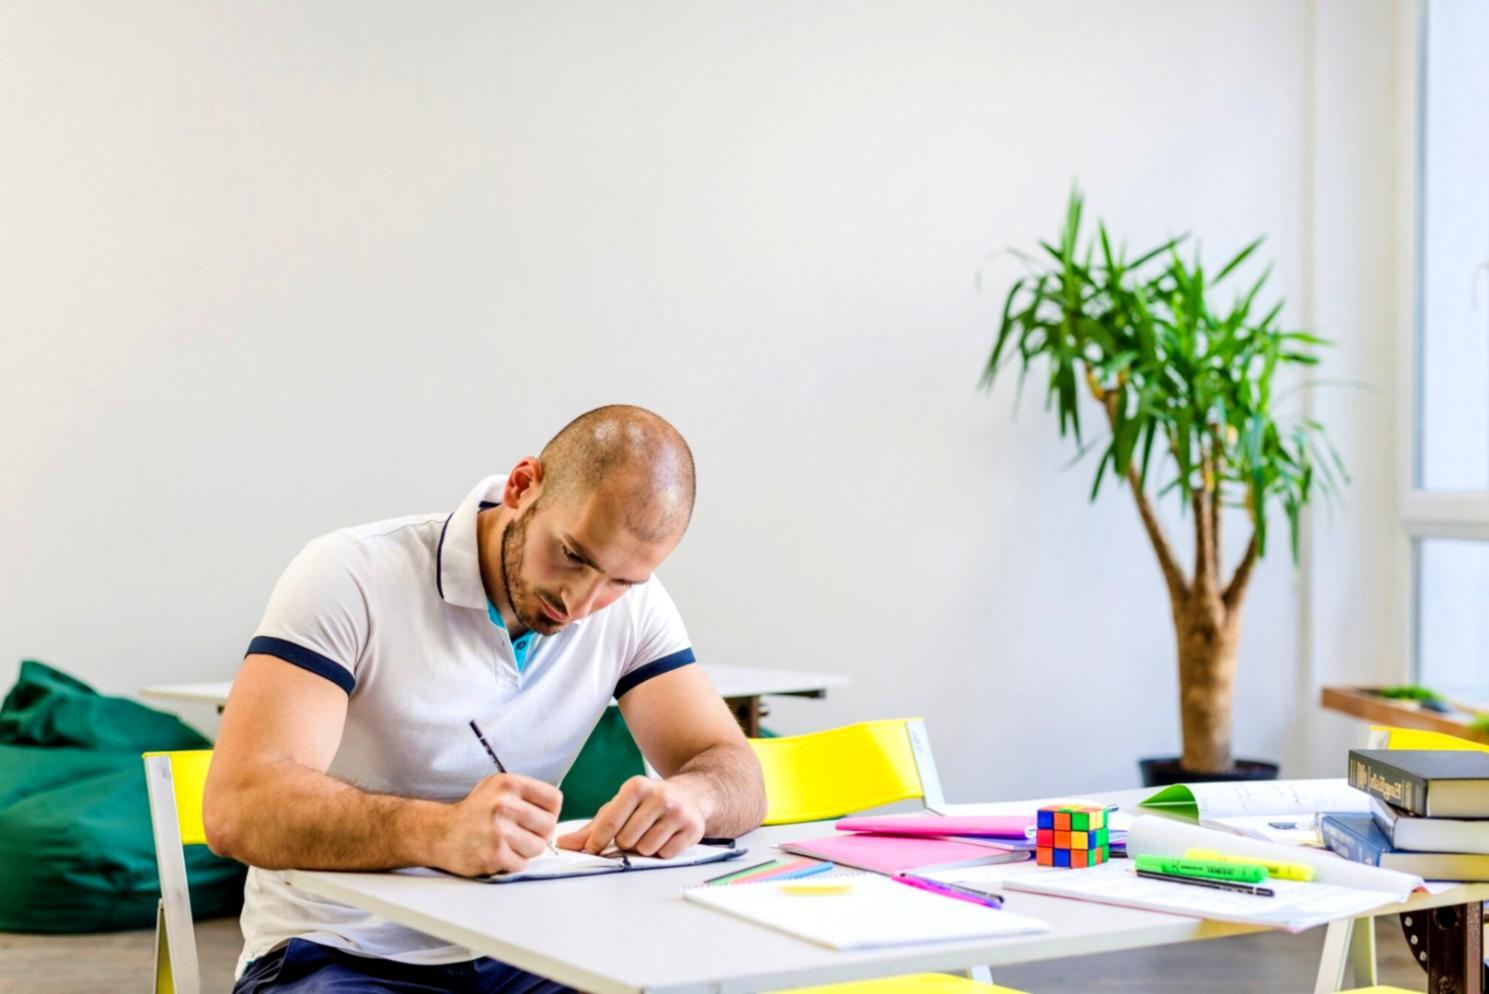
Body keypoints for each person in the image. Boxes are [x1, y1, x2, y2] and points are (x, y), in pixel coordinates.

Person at [203, 404, 767, 993]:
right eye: (572, 555)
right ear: (523, 487)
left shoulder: (635, 607)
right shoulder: (351, 574)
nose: (580, 601)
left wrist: (691, 799)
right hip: (342, 950)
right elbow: (237, 806)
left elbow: (734, 772)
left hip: (531, 948)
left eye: (622, 582)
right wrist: (437, 831)